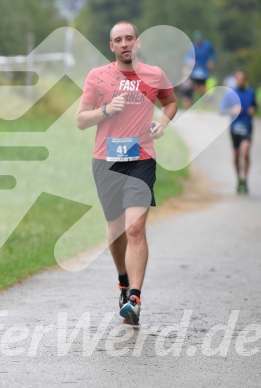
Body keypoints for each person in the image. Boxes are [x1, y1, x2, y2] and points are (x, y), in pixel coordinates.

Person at [77, 21, 178, 325]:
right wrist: (106, 110)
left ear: (137, 43)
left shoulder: (154, 74)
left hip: (141, 158)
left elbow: (170, 102)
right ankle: (123, 280)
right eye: (118, 40)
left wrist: (163, 122)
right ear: (111, 46)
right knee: (116, 229)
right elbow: (81, 120)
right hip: (105, 160)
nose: (124, 44)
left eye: (129, 38)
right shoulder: (98, 77)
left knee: (135, 228)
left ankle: (134, 297)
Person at [220, 70, 257, 194]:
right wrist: (233, 110)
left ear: (245, 80)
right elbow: (221, 110)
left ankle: (245, 179)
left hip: (247, 126)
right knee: (236, 157)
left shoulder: (251, 92)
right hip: (234, 128)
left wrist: (253, 109)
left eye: (243, 79)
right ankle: (238, 179)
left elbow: (255, 106)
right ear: (235, 80)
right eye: (238, 79)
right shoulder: (230, 94)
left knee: (246, 152)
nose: (240, 81)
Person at [182, 31, 216, 107]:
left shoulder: (207, 46)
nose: (198, 41)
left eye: (199, 39)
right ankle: (191, 101)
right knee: (192, 86)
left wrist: (211, 61)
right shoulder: (191, 47)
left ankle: (205, 102)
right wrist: (190, 62)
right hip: (194, 71)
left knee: (203, 87)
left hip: (204, 71)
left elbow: (213, 55)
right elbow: (187, 59)